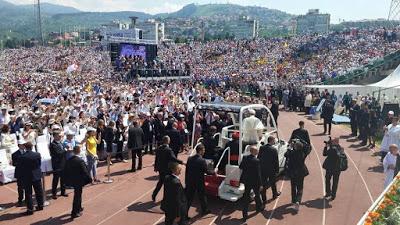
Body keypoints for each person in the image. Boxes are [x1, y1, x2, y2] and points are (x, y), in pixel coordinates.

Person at [63, 146, 92, 219]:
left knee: (78, 194)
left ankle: (79, 208)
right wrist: (89, 179)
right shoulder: (80, 161)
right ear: (79, 151)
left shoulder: (69, 160)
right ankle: (74, 212)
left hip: (72, 180)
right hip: (78, 181)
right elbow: (85, 172)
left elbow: (65, 170)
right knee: (77, 196)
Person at [152, 136, 183, 202]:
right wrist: (181, 162)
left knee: (160, 182)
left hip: (161, 168)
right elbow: (173, 158)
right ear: (168, 141)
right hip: (167, 169)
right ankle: (165, 198)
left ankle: (154, 194)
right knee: (167, 184)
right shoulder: (169, 150)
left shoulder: (159, 148)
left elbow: (156, 158)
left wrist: (156, 167)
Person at [185, 144, 213, 217]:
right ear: (200, 151)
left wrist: (186, 181)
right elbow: (207, 172)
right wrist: (214, 172)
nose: (204, 152)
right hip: (199, 182)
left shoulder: (189, 159)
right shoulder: (202, 160)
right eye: (203, 150)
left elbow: (187, 171)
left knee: (189, 199)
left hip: (190, 181)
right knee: (202, 196)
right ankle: (204, 210)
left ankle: (184, 214)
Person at [19, 142, 43, 215]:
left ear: (25, 147)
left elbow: (21, 168)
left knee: (28, 193)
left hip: (27, 177)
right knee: (39, 191)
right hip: (36, 175)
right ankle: (40, 205)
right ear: (32, 147)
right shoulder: (37, 154)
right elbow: (39, 164)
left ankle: (30, 209)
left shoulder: (22, 156)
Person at [240, 145, 264, 221]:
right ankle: (259, 208)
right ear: (253, 151)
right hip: (254, 182)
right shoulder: (256, 161)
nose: (258, 151)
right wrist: (260, 184)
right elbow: (258, 174)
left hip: (246, 181)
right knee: (257, 194)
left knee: (246, 198)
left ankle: (244, 215)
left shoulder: (245, 158)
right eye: (257, 150)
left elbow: (241, 167)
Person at [284, 141, 309, 212]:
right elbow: (307, 146)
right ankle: (298, 201)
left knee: (293, 186)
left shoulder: (291, 153)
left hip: (293, 173)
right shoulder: (303, 153)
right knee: (300, 187)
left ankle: (293, 200)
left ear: (295, 147)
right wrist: (301, 143)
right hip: (301, 172)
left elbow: (285, 154)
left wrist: (289, 147)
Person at [258, 136, 280, 204]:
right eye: (274, 140)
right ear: (271, 141)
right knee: (273, 183)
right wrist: (277, 170)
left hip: (263, 169)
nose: (274, 142)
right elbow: (276, 161)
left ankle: (264, 199)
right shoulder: (274, 150)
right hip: (271, 170)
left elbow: (259, 157)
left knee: (264, 185)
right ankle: (274, 195)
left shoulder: (262, 147)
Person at [49, 130, 68, 199]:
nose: (60, 137)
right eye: (59, 136)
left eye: (60, 136)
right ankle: (54, 193)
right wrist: (65, 150)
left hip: (63, 163)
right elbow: (58, 153)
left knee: (63, 179)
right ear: (54, 136)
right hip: (57, 165)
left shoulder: (60, 143)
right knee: (56, 179)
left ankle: (63, 192)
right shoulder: (53, 145)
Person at [12, 139, 26, 207]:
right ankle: (20, 200)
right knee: (20, 187)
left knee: (27, 186)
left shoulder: (27, 152)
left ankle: (27, 199)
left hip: (27, 173)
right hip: (20, 173)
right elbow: (14, 163)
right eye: (22, 145)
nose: (24, 146)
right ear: (19, 146)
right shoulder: (14, 154)